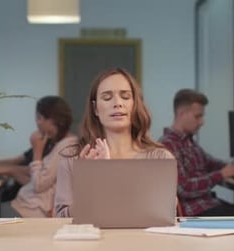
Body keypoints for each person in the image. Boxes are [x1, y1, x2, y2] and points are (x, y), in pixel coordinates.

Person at [54, 68, 175, 218]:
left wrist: (109, 177)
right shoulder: (72, 160)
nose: (117, 103)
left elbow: (166, 212)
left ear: (135, 104)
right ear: (95, 109)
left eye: (125, 96)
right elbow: (61, 219)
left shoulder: (160, 158)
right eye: (107, 98)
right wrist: (90, 180)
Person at [0, 95, 78, 217]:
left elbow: (39, 185)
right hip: (22, 205)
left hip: (29, 210)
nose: (37, 123)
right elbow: (36, 179)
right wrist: (9, 170)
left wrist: (37, 151)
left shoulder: (67, 146)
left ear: (53, 120)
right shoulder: (58, 143)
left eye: (40, 118)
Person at [158, 88, 234, 217]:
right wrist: (221, 175)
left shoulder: (188, 141)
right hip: (196, 212)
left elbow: (210, 162)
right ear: (181, 113)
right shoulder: (168, 145)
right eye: (198, 116)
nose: (202, 122)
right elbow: (184, 188)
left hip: (208, 204)